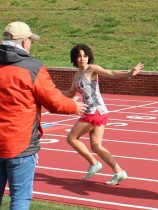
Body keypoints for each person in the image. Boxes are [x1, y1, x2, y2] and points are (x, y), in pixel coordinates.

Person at [0, 22, 87, 210]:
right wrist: (75, 106)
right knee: (20, 199)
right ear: (24, 42)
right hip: (20, 145)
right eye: (30, 41)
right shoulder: (32, 68)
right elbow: (54, 101)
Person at [62, 44, 143, 185]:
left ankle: (94, 163)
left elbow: (110, 73)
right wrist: (51, 92)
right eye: (79, 56)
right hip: (97, 112)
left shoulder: (92, 69)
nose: (82, 59)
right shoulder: (77, 74)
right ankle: (119, 172)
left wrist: (129, 73)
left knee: (71, 138)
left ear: (89, 57)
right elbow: (70, 93)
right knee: (96, 146)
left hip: (95, 111)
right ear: (74, 58)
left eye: (85, 55)